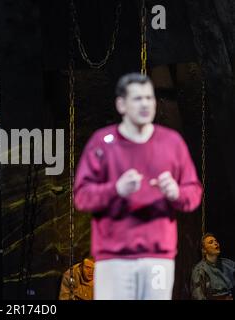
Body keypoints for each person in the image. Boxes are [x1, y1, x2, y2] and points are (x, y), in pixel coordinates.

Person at [74, 73, 202, 300]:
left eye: (149, 98)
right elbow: (82, 196)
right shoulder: (102, 142)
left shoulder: (172, 142)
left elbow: (193, 194)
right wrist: (116, 189)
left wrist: (175, 192)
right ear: (121, 104)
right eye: (137, 98)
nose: (145, 104)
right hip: (114, 257)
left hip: (157, 257)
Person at [191, 233, 235, 300]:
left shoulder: (228, 264)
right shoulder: (199, 270)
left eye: (216, 241)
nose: (215, 243)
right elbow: (198, 296)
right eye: (211, 242)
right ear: (204, 250)